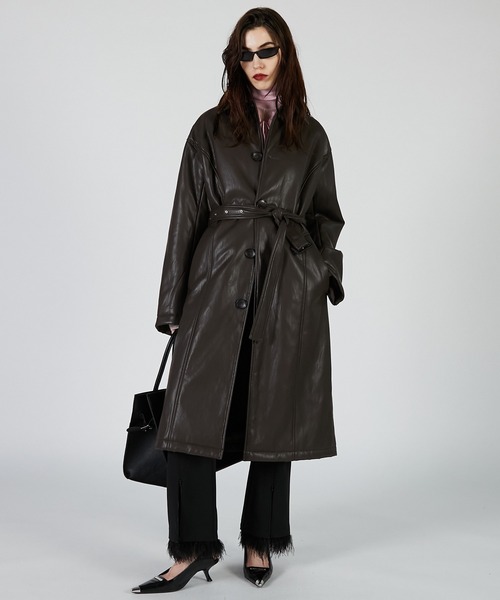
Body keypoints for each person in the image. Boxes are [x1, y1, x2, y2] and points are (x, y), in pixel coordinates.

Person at [132, 7, 345, 594]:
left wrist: (320, 274)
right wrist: (172, 307)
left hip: (286, 291)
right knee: (190, 418)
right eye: (246, 53)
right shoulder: (210, 129)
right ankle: (191, 549)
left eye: (266, 50)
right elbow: (185, 216)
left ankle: (260, 539)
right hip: (216, 283)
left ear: (285, 54)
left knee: (275, 416)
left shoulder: (311, 136)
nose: (256, 63)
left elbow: (326, 218)